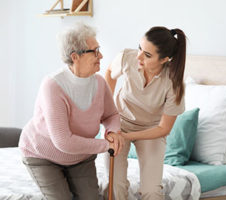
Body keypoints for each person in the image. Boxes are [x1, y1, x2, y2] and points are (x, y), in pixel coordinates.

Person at [18, 23, 124, 200]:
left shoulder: (99, 83)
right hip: (43, 156)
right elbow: (63, 142)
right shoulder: (52, 85)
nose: (101, 56)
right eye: (95, 51)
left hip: (80, 158)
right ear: (75, 56)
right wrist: (106, 145)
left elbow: (111, 115)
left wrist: (113, 132)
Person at [104, 26, 187, 200]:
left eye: (147, 55)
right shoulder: (128, 57)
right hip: (120, 123)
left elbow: (164, 129)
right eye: (140, 48)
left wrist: (127, 137)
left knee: (151, 191)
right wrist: (108, 112)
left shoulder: (174, 84)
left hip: (152, 131)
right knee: (114, 186)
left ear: (165, 59)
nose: (139, 56)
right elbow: (110, 74)